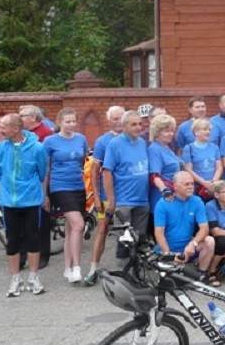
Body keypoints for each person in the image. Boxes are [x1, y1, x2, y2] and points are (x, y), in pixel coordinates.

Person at [0, 113, 48, 297]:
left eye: (3, 126)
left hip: (30, 200)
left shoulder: (38, 147)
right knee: (12, 240)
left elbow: (41, 171)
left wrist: (32, 189)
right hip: (9, 202)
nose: (0, 130)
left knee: (33, 238)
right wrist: (4, 188)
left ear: (15, 129)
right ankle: (15, 278)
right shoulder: (0, 148)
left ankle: (33, 277)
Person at [44, 108, 89, 283]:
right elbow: (46, 170)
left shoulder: (81, 139)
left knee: (72, 229)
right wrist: (45, 195)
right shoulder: (49, 141)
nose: (71, 124)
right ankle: (77, 267)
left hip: (78, 186)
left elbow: (82, 161)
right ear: (59, 122)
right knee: (79, 225)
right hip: (59, 186)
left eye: (73, 121)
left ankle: (67, 268)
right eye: (67, 121)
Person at [83, 105, 125, 286]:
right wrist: (97, 198)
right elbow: (94, 172)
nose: (118, 122)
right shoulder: (102, 141)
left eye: (121, 118)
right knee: (102, 228)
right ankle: (93, 268)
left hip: (128, 195)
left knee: (129, 232)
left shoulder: (135, 139)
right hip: (107, 195)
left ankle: (129, 268)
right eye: (115, 118)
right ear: (108, 121)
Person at [102, 110, 150, 264]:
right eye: (133, 124)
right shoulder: (115, 144)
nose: (138, 127)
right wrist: (111, 198)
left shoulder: (142, 142)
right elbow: (107, 172)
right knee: (124, 239)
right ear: (124, 126)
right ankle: (123, 272)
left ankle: (137, 270)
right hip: (124, 200)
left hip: (142, 200)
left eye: (139, 124)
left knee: (140, 237)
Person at [153, 171, 217, 284]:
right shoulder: (163, 204)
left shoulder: (197, 201)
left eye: (192, 184)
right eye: (186, 184)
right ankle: (172, 266)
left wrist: (193, 244)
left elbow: (204, 228)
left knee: (209, 241)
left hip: (187, 247)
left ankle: (201, 274)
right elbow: (159, 233)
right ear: (175, 186)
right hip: (167, 250)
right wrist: (169, 255)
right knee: (173, 283)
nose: (191, 187)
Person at [18, 104, 53, 267]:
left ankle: (43, 255)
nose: (19, 118)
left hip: (40, 181)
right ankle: (24, 255)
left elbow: (45, 164)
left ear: (33, 118)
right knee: (24, 221)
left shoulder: (45, 134)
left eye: (22, 115)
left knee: (42, 220)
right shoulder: (22, 134)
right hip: (24, 182)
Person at [148, 114, 183, 233]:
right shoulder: (155, 149)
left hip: (174, 197)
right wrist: (165, 191)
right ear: (157, 132)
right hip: (163, 198)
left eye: (172, 131)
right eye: (166, 131)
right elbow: (154, 176)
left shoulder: (168, 148)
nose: (171, 134)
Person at [182, 118, 223, 199]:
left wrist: (213, 182)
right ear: (196, 132)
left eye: (209, 130)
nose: (208, 132)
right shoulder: (189, 148)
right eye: (204, 129)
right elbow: (188, 169)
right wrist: (203, 182)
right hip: (197, 188)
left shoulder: (214, 148)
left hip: (214, 187)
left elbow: (219, 167)